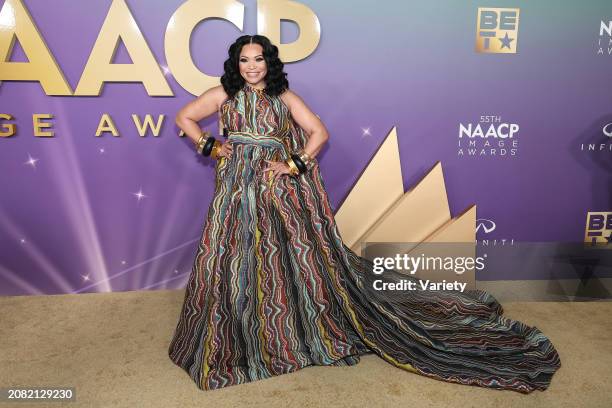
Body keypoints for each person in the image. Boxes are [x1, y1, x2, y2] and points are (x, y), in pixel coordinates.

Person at [168, 34, 561, 393]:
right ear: (235, 64)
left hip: (276, 190)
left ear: (269, 63)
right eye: (244, 60)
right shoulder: (222, 94)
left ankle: (284, 329)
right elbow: (183, 118)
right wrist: (212, 146)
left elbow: (319, 134)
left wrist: (293, 164)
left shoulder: (284, 97)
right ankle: (236, 331)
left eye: (258, 59)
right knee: (230, 256)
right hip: (235, 189)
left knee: (284, 257)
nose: (251, 66)